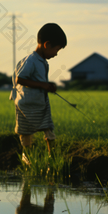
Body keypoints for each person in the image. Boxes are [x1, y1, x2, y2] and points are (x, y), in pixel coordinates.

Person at [9, 23, 67, 164]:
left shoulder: (41, 61)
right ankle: (27, 158)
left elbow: (38, 80)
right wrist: (43, 85)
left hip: (39, 103)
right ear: (47, 45)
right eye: (56, 50)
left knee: (48, 128)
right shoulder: (31, 60)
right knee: (26, 132)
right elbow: (20, 78)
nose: (56, 54)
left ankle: (52, 158)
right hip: (27, 104)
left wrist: (47, 86)